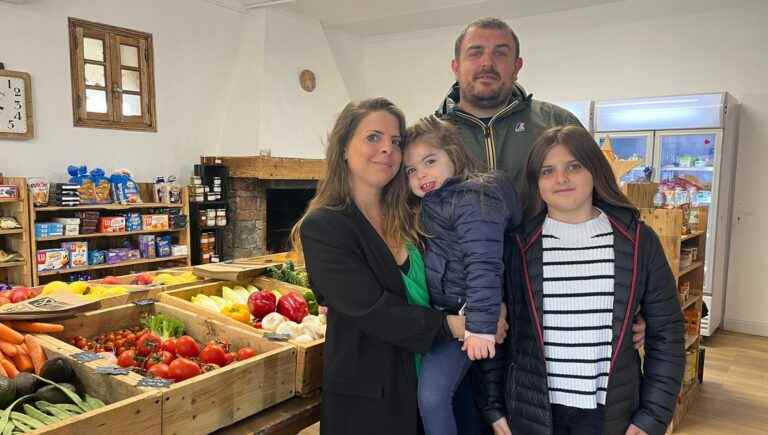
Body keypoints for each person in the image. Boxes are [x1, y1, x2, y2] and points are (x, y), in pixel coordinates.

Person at [291, 97, 474, 435]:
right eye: (373, 137)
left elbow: (464, 264)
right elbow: (373, 310)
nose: (387, 149)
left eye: (395, 141)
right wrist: (457, 326)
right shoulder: (324, 227)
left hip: (435, 385)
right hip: (370, 401)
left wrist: (491, 307)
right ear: (344, 148)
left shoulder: (414, 211)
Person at [496, 125, 685, 435]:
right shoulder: (516, 247)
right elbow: (497, 333)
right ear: (536, 183)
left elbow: (667, 334)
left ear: (594, 170)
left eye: (574, 166)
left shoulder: (638, 241)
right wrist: (493, 407)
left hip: (611, 416)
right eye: (548, 171)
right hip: (533, 415)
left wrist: (652, 416)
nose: (561, 178)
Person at [402, 116, 518, 435]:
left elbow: (483, 263)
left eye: (430, 161)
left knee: (432, 397)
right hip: (448, 314)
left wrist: (480, 327)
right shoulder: (434, 202)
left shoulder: (472, 200)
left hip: (466, 318)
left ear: (453, 154)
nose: (421, 174)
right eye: (411, 170)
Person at [436, 17, 582, 183]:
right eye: (475, 53)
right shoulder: (430, 137)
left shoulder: (558, 123)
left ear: (516, 67)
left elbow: (601, 195)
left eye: (500, 53)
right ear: (456, 67)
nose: (487, 63)